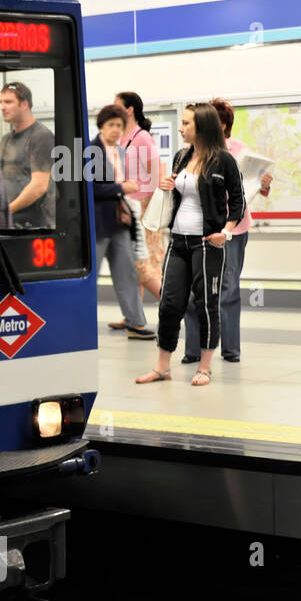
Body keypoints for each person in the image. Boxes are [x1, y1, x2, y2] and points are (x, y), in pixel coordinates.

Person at [135, 102, 245, 387]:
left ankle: (205, 367)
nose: (181, 128)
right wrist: (167, 186)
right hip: (178, 241)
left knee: (206, 304)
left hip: (206, 243)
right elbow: (178, 197)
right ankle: (162, 367)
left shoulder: (224, 161)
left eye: (186, 123)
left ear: (202, 126)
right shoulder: (181, 157)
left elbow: (238, 202)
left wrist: (226, 232)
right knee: (170, 304)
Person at [181, 97, 274, 363]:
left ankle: (231, 349)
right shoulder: (190, 151)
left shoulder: (239, 150)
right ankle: (193, 350)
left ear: (222, 124)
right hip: (198, 226)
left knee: (229, 287)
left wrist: (264, 183)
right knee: (193, 288)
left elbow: (249, 189)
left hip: (234, 227)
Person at [88, 103, 153, 339]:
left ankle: (136, 323)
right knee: (90, 276)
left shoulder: (120, 151)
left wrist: (124, 187)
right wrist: (121, 187)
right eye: (111, 125)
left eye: (119, 125)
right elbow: (90, 189)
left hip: (119, 221)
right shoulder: (90, 151)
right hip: (98, 223)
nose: (116, 129)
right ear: (101, 126)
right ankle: (80, 322)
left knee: (127, 272)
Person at [108, 91, 164, 327]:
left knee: (145, 265)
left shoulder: (142, 138)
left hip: (144, 208)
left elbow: (157, 175)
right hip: (128, 206)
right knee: (133, 264)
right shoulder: (121, 137)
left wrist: (150, 210)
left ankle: (176, 309)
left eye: (117, 105)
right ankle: (134, 317)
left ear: (130, 110)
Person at [0, 81, 56, 229]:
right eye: (1, 102)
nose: (2, 107)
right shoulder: (5, 140)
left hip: (35, 224)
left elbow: (39, 186)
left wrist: (7, 211)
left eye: (8, 102)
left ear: (24, 104)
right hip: (10, 222)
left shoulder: (41, 136)